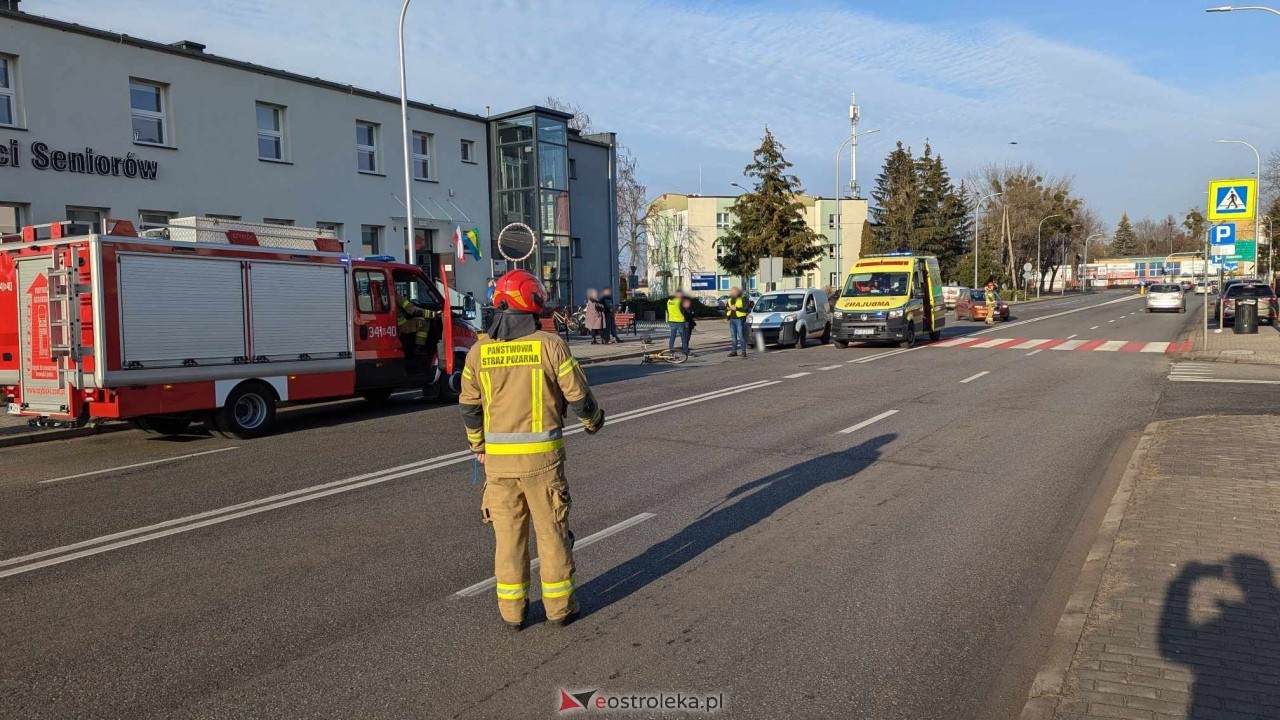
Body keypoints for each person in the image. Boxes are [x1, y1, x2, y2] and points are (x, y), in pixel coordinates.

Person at [459, 270, 605, 631]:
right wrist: (594, 421)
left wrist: (478, 446)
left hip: (498, 468)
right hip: (542, 464)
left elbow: (469, 406)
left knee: (508, 541)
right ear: (533, 301)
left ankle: (513, 613)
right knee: (552, 535)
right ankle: (559, 609)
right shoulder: (549, 345)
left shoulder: (479, 351)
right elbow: (578, 396)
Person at [725, 286, 748, 357]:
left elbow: (746, 309)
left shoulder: (743, 298)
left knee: (741, 336)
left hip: (739, 319)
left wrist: (736, 308)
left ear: (738, 292)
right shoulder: (730, 298)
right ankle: (734, 351)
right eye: (731, 292)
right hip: (732, 319)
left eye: (734, 292)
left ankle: (743, 351)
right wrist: (728, 308)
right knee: (733, 337)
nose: (732, 293)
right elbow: (726, 308)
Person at [666, 290, 690, 355]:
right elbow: (685, 310)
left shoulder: (669, 301)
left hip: (671, 320)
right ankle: (685, 351)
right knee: (683, 337)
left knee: (672, 336)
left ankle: (671, 350)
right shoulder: (679, 301)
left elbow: (668, 311)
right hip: (680, 321)